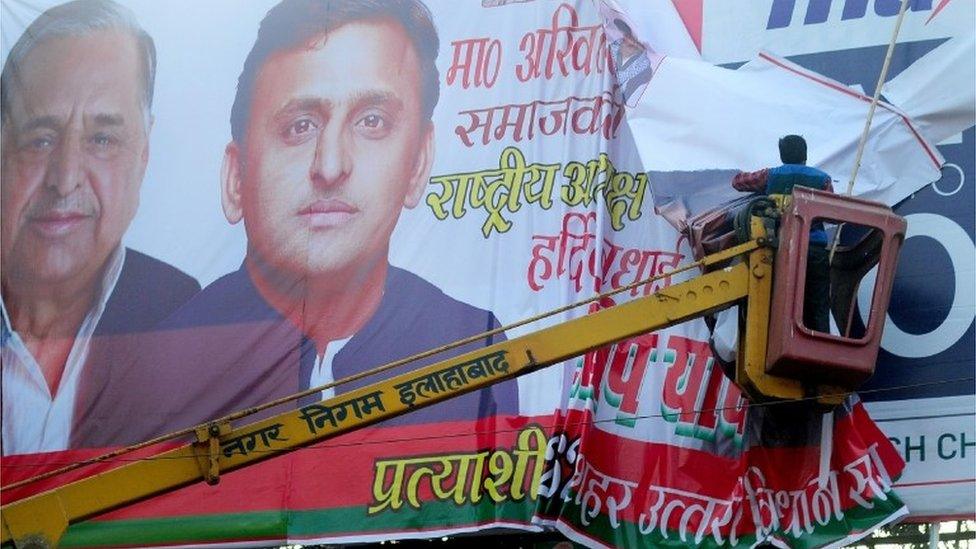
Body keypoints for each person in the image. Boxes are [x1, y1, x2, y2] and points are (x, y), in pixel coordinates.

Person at [76, 0, 517, 448]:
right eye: (299, 126)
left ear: (419, 164)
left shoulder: (468, 345)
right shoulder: (152, 371)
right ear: (235, 178)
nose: (330, 165)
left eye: (372, 121)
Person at [0, 0, 200, 455]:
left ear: (144, 154)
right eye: (41, 138)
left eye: (102, 139)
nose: (65, 177)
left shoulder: (183, 312)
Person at [731, 134, 833, 333]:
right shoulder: (822, 179)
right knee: (818, 304)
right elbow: (831, 212)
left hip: (779, 249)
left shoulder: (771, 175)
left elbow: (738, 182)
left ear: (782, 155)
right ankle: (819, 344)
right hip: (814, 250)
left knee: (777, 301)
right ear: (805, 154)